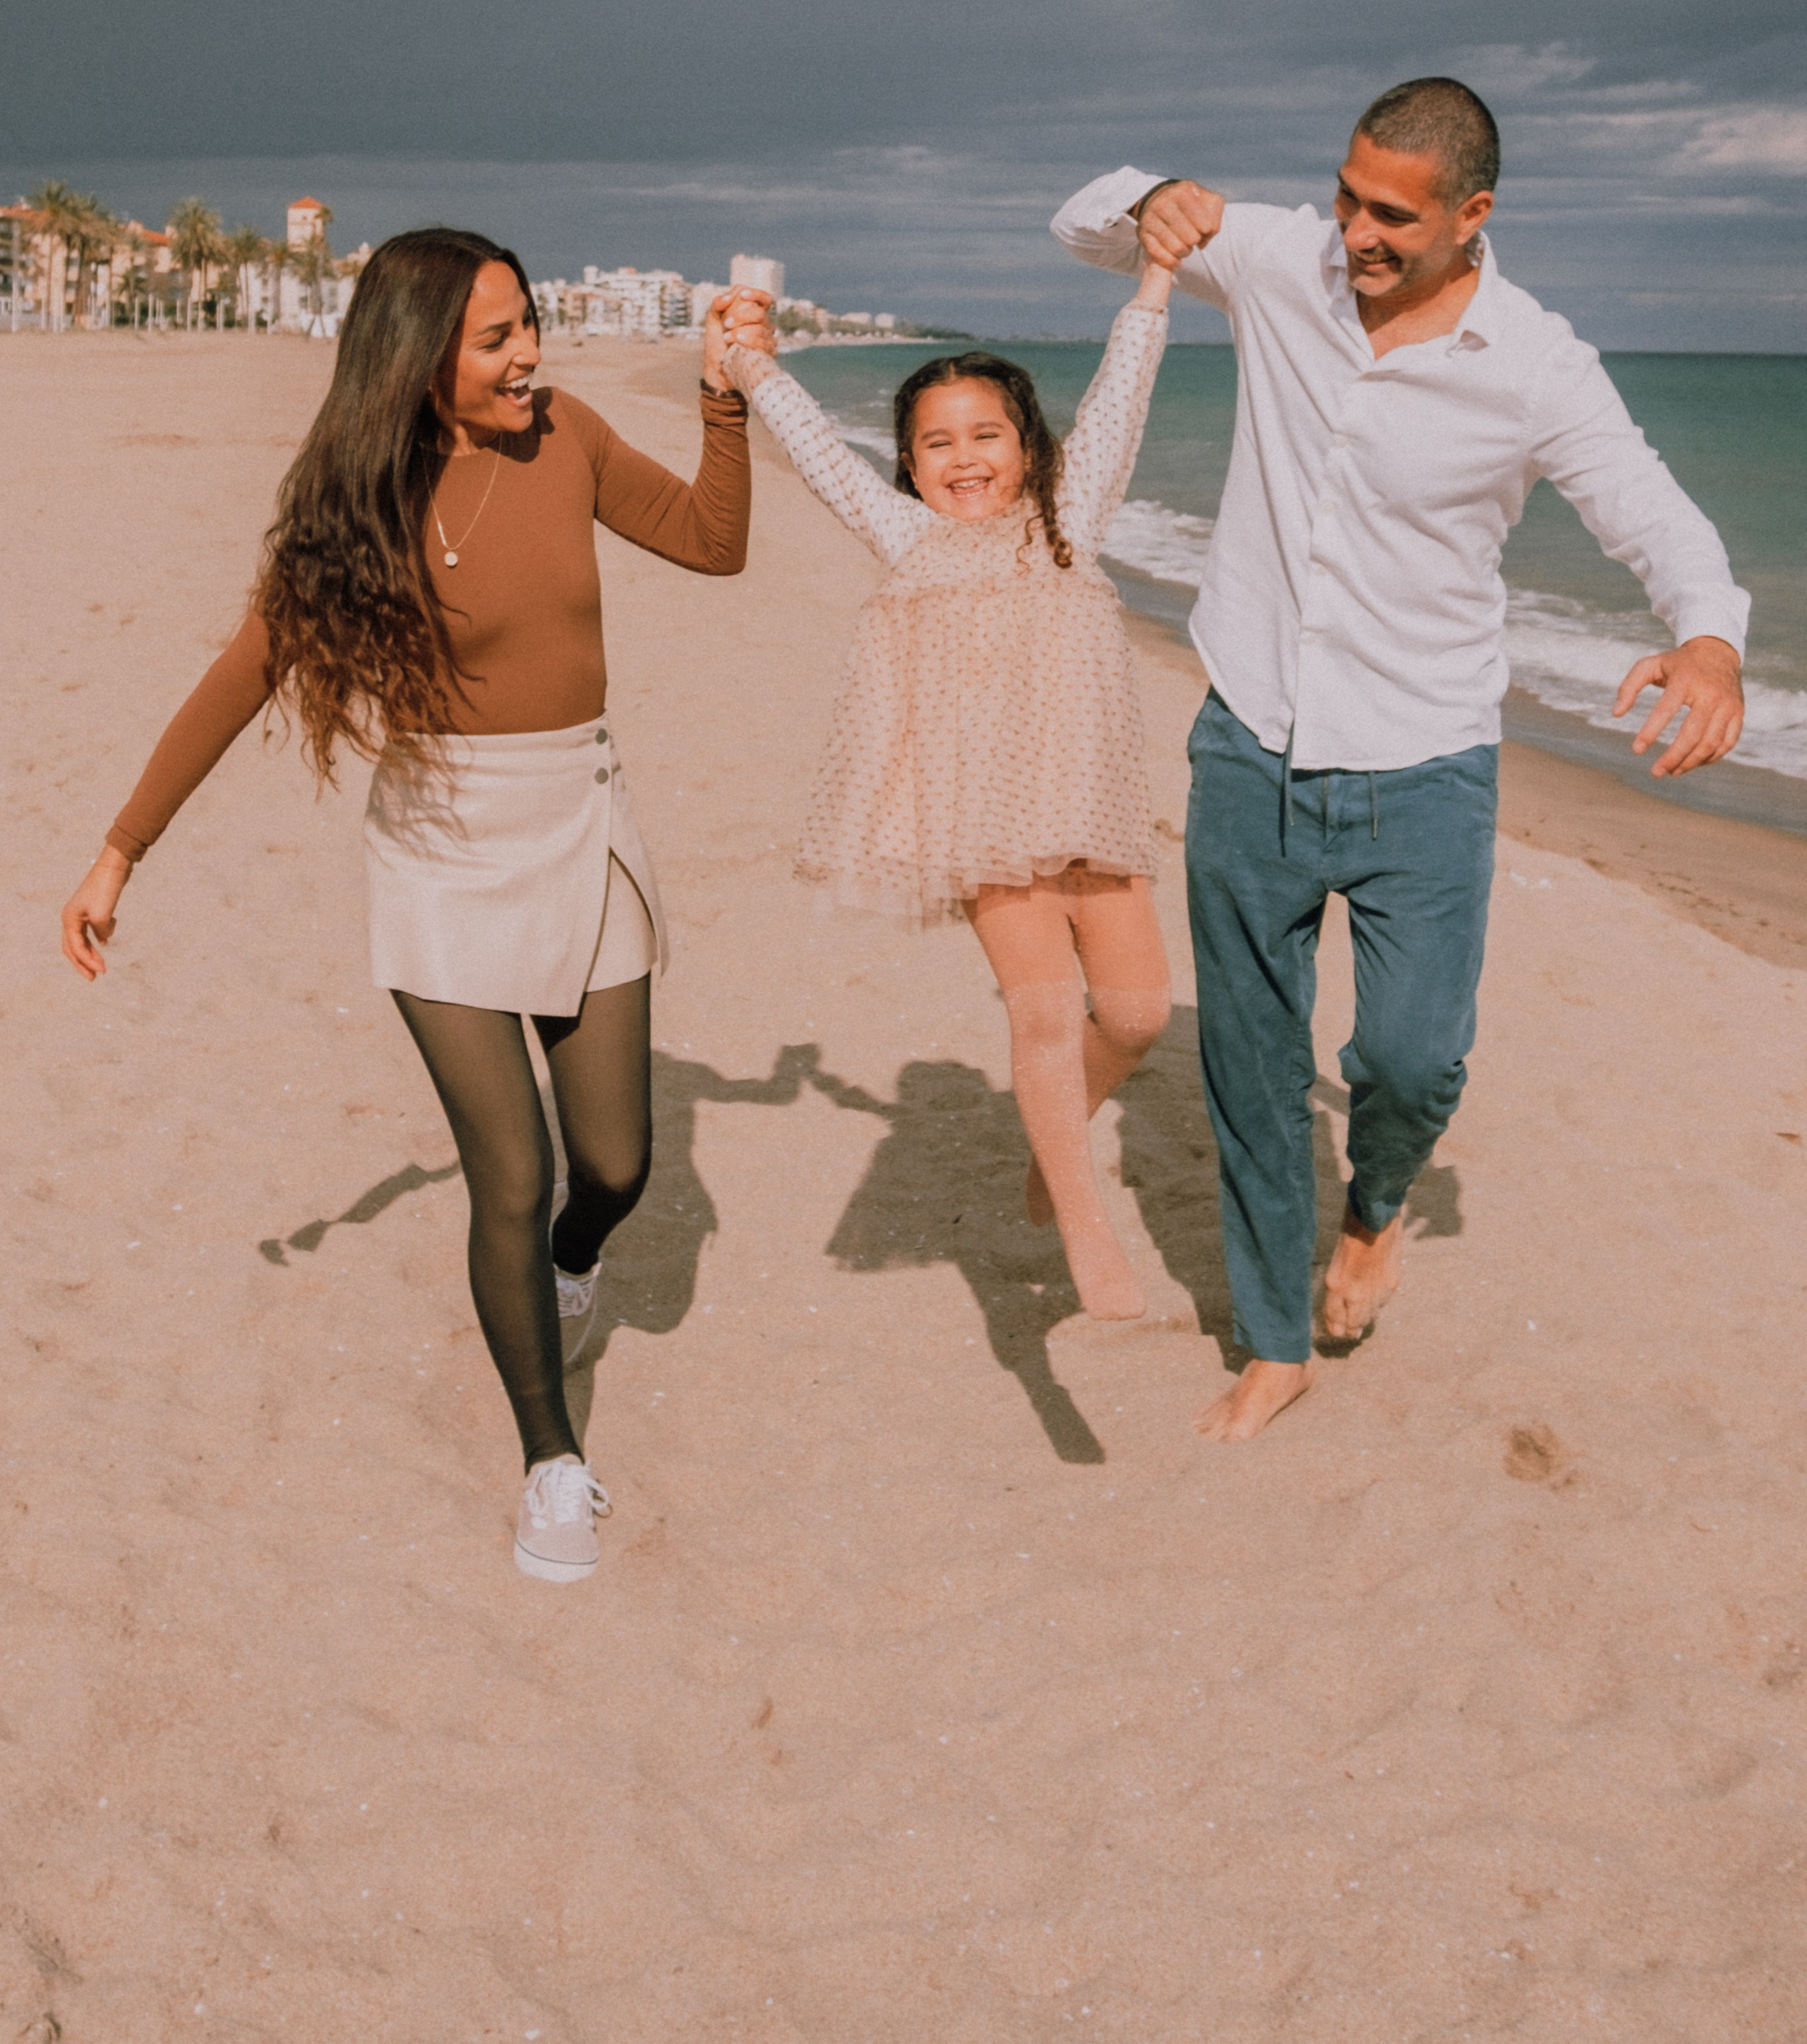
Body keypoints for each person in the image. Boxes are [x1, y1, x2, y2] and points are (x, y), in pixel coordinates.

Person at [61, 229, 772, 1582]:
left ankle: (570, 1262)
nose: (529, 356)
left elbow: (717, 545)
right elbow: (241, 674)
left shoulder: (568, 437)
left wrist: (723, 395)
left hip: (583, 814)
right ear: (418, 355)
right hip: (441, 842)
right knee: (510, 1168)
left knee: (611, 1167)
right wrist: (119, 852)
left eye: (531, 324)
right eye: (496, 337)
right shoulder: (356, 502)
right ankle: (551, 1461)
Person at [1053, 78, 1749, 1440]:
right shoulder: (1279, 261)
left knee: (1416, 1059)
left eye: (1389, 213)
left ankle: (1374, 1211)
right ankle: (1272, 1340)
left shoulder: (1537, 362)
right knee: (1250, 1065)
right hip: (1249, 732)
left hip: (1426, 759)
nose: (1353, 231)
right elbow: (1082, 225)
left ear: (1471, 215)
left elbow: (1656, 516)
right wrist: (1150, 201)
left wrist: (1710, 643)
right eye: (1344, 193)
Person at [719, 258, 1175, 1321]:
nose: (964, 459)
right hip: (987, 822)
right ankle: (1086, 1225)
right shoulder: (908, 538)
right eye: (937, 442)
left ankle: (1052, 1140)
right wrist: (749, 359)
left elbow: (1121, 394)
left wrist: (1155, 279)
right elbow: (817, 452)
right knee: (1050, 1013)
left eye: (986, 436)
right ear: (912, 465)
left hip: (1095, 808)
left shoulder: (1076, 521)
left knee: (1143, 1014)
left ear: (1027, 447)